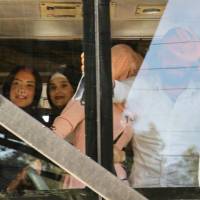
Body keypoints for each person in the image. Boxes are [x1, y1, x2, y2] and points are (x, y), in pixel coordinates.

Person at [52, 44, 143, 188]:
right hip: (84, 178)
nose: (131, 77)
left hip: (116, 180)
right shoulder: (90, 96)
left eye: (134, 72)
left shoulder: (133, 109)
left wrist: (123, 157)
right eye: (127, 70)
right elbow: (58, 130)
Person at [125, 27, 200, 187]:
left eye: (183, 56)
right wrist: (92, 71)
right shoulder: (140, 87)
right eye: (170, 55)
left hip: (185, 195)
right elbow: (110, 90)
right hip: (140, 193)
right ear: (159, 56)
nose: (176, 62)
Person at [1, 65, 43, 191]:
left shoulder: (40, 127)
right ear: (9, 88)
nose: (21, 89)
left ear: (36, 92)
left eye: (29, 85)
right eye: (17, 83)